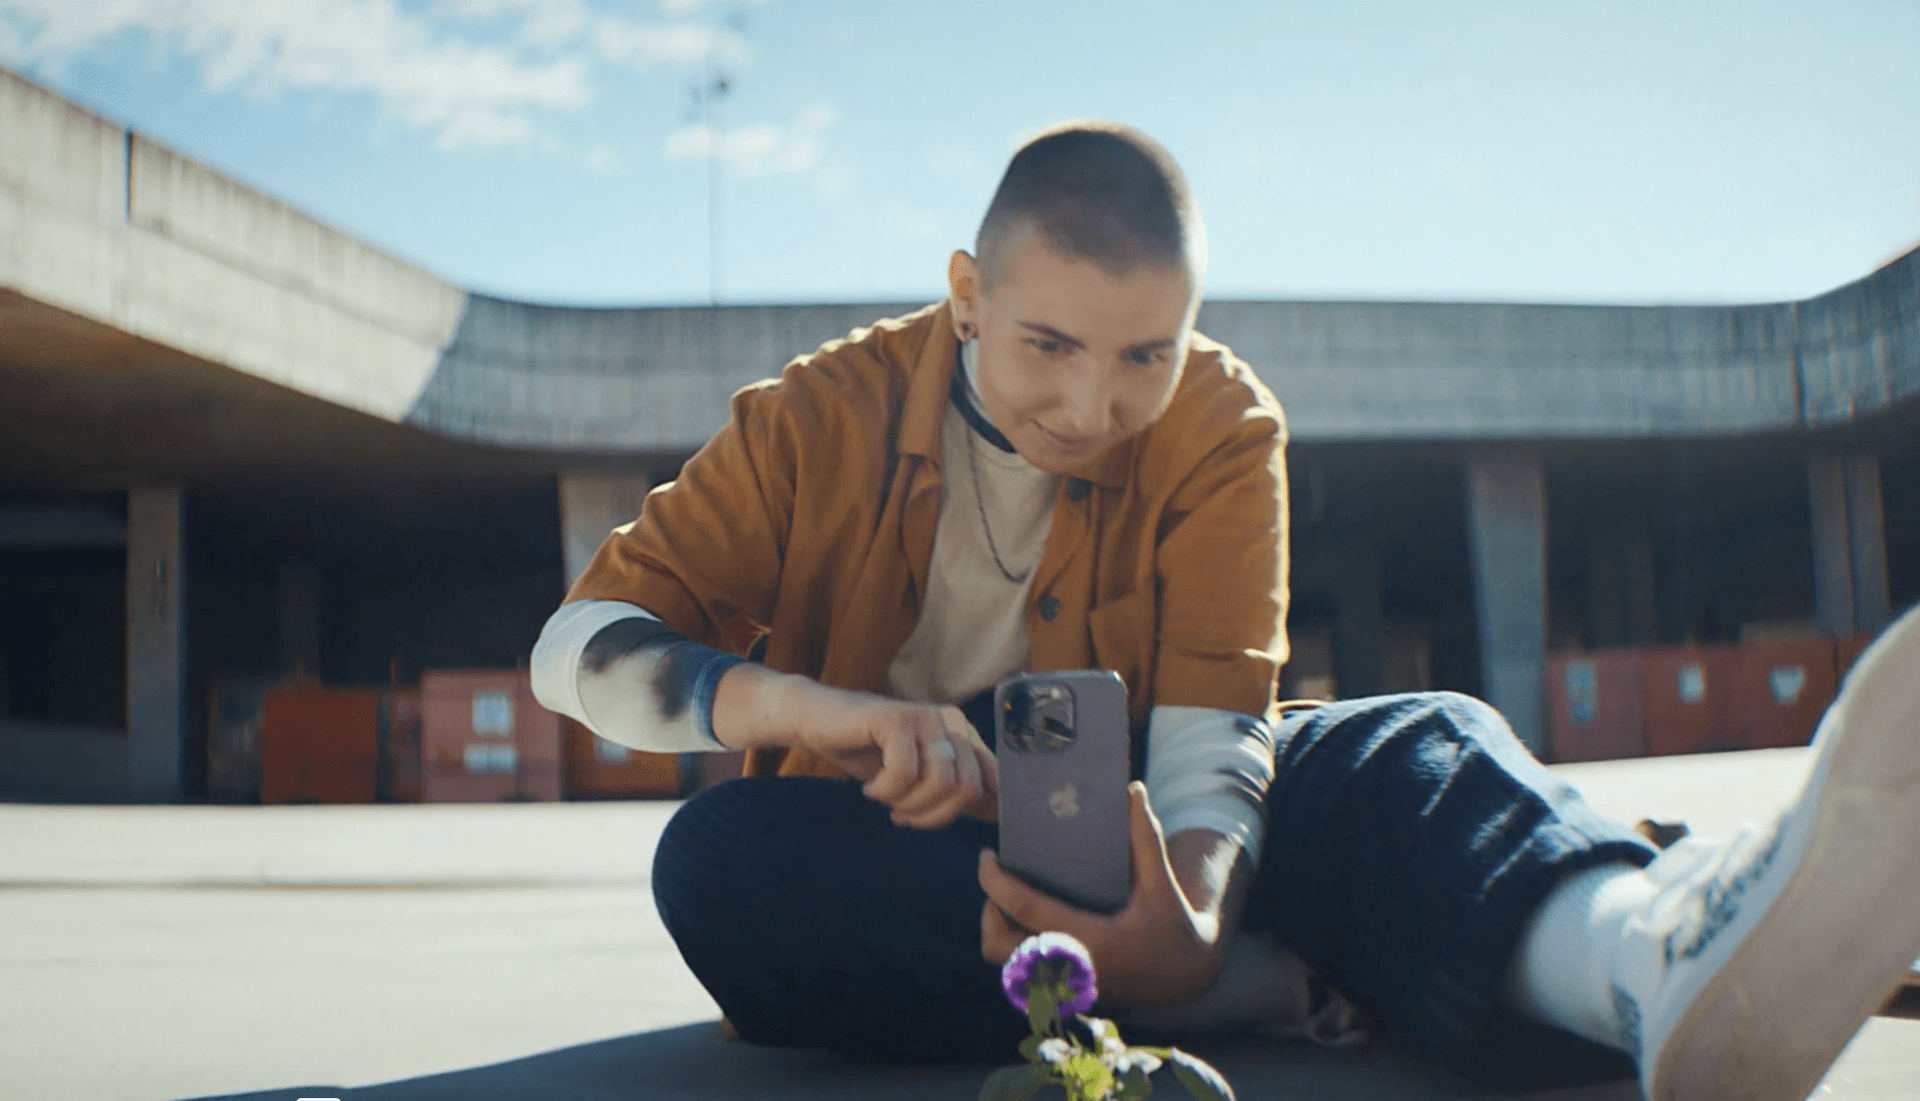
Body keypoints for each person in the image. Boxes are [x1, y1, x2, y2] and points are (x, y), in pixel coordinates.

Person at [532, 121, 1920, 1101]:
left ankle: (1648, 953)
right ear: (968, 295)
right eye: (1049, 347)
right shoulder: (812, 419)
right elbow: (573, 650)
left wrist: (1190, 909)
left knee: (1411, 742)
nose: (1093, 408)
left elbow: (1215, 721)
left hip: (1163, 815)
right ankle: (1333, 970)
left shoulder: (1223, 424)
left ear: (1193, 324)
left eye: (1146, 354)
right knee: (723, 867)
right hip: (922, 852)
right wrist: (800, 708)